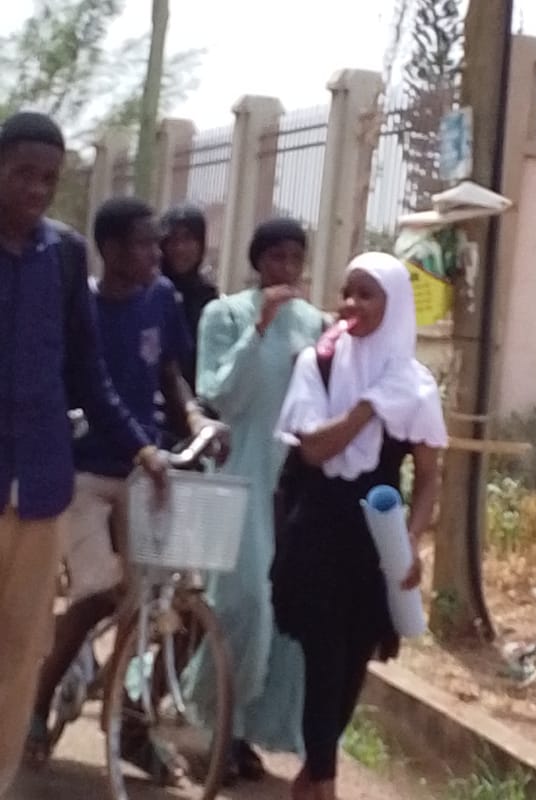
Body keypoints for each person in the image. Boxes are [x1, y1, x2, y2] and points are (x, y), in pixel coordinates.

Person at [26, 197, 226, 774]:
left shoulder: (162, 299)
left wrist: (194, 418)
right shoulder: (80, 305)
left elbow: (171, 373)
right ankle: (37, 701)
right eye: (142, 244)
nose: (155, 254)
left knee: (155, 604)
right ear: (110, 251)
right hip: (87, 472)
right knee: (96, 593)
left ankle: (126, 719)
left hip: (146, 468)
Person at [0, 113, 168, 795]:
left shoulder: (64, 256)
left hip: (42, 487)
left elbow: (88, 372)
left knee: (19, 653)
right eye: (24, 174)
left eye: (50, 177)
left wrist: (142, 448)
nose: (38, 188)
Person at [272, 252, 447, 800]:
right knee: (324, 655)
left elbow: (429, 477)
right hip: (317, 529)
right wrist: (370, 406)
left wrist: (412, 543)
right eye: (346, 291)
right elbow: (316, 449)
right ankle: (324, 781)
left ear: (392, 307)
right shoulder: (316, 364)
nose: (350, 305)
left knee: (353, 662)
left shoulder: (416, 384)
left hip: (377, 540)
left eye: (366, 294)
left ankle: (311, 776)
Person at [183, 218, 325, 781]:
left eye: (296, 258)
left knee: (287, 617)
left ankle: (240, 730)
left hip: (293, 484)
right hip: (241, 474)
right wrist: (259, 328)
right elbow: (221, 393)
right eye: (277, 257)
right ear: (258, 260)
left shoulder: (315, 324)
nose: (286, 269)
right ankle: (216, 721)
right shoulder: (224, 316)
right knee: (244, 608)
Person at [160, 203, 218, 390]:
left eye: (188, 240)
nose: (180, 249)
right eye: (172, 240)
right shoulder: (150, 291)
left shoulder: (207, 296)